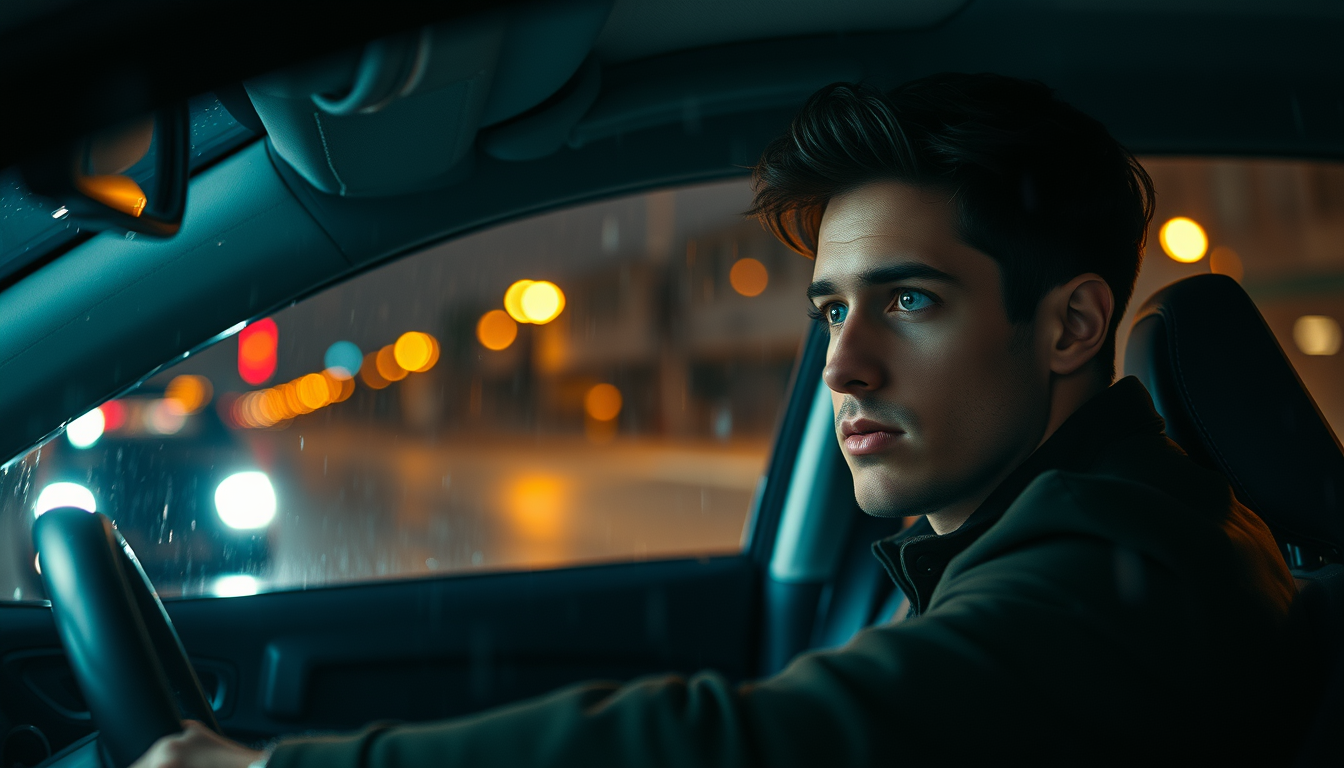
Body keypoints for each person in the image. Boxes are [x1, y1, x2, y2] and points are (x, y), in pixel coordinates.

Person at [134, 73, 1297, 768]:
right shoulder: (1063, 529)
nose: (846, 365)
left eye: (909, 301)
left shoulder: (1124, 564)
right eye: (831, 309)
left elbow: (771, 748)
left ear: (1070, 327)